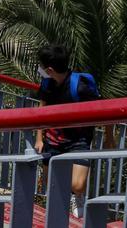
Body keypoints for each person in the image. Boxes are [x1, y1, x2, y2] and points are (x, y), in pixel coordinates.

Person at [34, 43, 100, 219]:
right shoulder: (47, 84)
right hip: (52, 140)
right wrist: (39, 138)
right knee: (51, 187)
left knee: (78, 185)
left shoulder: (80, 86)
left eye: (41, 66)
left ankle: (75, 196)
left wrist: (109, 137)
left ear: (49, 69)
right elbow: (41, 110)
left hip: (78, 140)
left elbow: (103, 108)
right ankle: (58, 216)